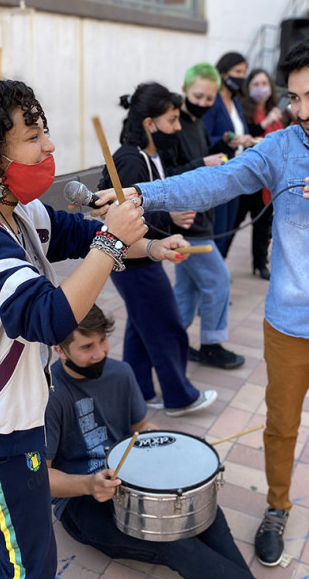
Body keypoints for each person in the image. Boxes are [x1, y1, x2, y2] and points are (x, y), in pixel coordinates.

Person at [91, 35, 309, 576]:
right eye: (295, 98)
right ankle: (277, 507)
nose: (303, 110)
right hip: (290, 321)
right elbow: (217, 180)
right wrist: (145, 196)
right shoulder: (282, 147)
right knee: (280, 425)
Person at [0, 75, 188, 579]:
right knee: (30, 563)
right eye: (32, 137)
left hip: (14, 417)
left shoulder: (15, 211)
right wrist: (114, 245)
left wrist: (151, 246)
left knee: (5, 541)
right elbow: (47, 318)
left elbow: (81, 233)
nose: (49, 145)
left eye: (43, 131)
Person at [45, 305, 254, 579]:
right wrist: (88, 484)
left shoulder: (121, 373)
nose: (100, 353)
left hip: (132, 482)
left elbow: (141, 428)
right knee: (177, 544)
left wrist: (176, 449)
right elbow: (40, 476)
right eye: (87, 347)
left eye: (103, 340)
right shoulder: (49, 394)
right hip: (81, 501)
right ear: (60, 350)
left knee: (205, 513)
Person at [97, 82, 217, 416]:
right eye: (172, 120)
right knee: (166, 326)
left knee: (142, 325)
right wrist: (170, 215)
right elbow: (121, 214)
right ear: (149, 124)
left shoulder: (151, 155)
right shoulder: (130, 159)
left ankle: (140, 392)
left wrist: (173, 216)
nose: (178, 128)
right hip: (132, 260)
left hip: (142, 254)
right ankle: (180, 397)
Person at [159, 62, 245, 370]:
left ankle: (172, 345)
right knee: (218, 280)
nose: (204, 104)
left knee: (188, 289)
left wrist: (222, 145)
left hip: (200, 219)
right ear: (184, 91)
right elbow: (167, 175)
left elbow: (198, 155)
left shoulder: (195, 122)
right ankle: (211, 344)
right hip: (185, 223)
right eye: (198, 96)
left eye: (211, 99)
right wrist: (202, 162)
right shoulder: (173, 124)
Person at [201, 52, 257, 257]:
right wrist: (225, 138)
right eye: (237, 72)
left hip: (236, 171)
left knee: (228, 228)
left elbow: (238, 131)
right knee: (217, 228)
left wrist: (246, 139)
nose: (241, 76)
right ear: (223, 73)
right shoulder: (213, 101)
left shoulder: (236, 102)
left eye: (244, 72)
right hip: (218, 172)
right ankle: (213, 274)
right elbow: (205, 136)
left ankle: (218, 273)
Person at [235, 68, 284, 280]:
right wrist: (264, 123)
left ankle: (260, 263)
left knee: (263, 225)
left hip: (270, 180)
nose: (261, 88)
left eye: (264, 83)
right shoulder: (244, 110)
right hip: (249, 176)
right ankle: (220, 259)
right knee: (234, 221)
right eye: (255, 84)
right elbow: (247, 134)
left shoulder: (277, 112)